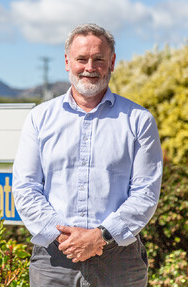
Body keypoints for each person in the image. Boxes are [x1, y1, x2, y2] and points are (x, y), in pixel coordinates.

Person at [12, 23, 163, 286]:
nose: (90, 67)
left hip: (119, 259)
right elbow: (25, 187)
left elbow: (146, 192)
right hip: (54, 258)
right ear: (68, 62)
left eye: (99, 59)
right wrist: (67, 239)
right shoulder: (39, 118)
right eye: (81, 59)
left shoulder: (139, 121)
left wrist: (99, 237)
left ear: (112, 62)